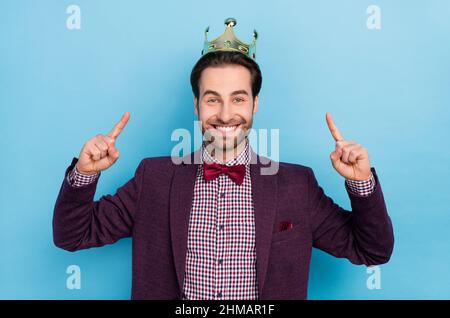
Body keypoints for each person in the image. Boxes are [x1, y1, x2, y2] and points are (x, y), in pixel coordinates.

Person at [53, 18, 394, 300]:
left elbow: (372, 250)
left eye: (239, 99)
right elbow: (72, 236)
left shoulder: (296, 185)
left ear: (255, 104)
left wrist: (359, 182)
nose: (226, 114)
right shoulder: (152, 178)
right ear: (196, 104)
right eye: (213, 99)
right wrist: (85, 174)